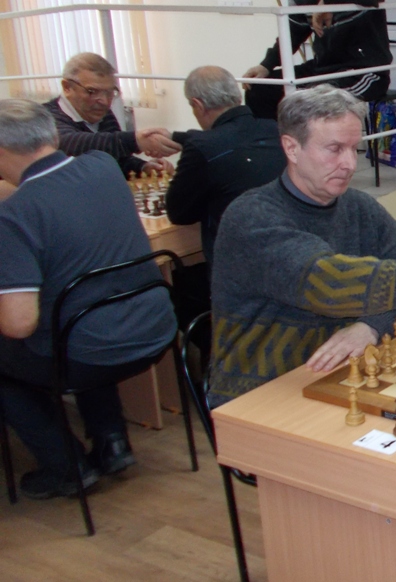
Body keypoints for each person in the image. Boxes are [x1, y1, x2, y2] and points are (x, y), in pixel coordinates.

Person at [209, 86, 396, 407]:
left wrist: (373, 327)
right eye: (334, 149)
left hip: (345, 379)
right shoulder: (251, 218)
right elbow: (328, 282)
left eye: (353, 149)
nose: (349, 164)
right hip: (259, 395)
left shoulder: (359, 207)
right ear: (292, 148)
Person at [0, 100, 177, 498]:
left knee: (25, 348)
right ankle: (112, 443)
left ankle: (66, 467)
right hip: (156, 327)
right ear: (50, 134)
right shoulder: (102, 167)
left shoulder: (14, 217)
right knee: (77, 316)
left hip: (92, 350)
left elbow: (18, 324)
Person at [166, 66, 287, 267]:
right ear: (237, 96)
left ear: (198, 105)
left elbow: (178, 213)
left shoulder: (201, 147)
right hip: (286, 250)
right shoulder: (276, 128)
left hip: (236, 265)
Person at [241, 0, 392, 120]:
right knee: (258, 89)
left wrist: (328, 3)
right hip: (322, 68)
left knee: (313, 99)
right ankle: (273, 147)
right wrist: (266, 65)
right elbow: (294, 32)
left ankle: (313, 148)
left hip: (363, 71)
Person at [44, 53, 181, 178]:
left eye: (110, 92)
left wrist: (143, 167)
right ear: (67, 87)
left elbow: (116, 157)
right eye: (92, 91)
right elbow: (71, 145)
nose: (104, 101)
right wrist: (135, 141)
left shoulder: (100, 112)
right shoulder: (44, 117)